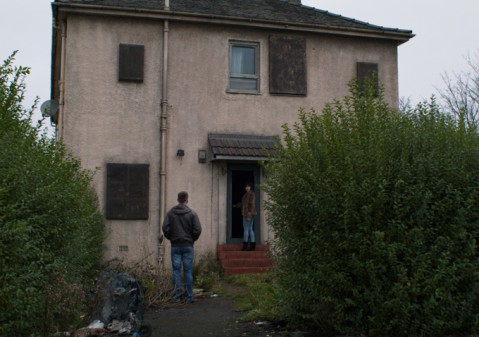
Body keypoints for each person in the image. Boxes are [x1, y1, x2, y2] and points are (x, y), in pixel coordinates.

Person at [162, 191, 202, 303]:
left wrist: (171, 237)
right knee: (188, 271)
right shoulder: (192, 214)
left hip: (175, 245)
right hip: (188, 245)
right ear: (186, 200)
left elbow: (165, 228)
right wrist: (191, 239)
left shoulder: (171, 213)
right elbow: (197, 229)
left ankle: (177, 297)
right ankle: (189, 297)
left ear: (178, 199)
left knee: (176, 271)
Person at [234, 182, 256, 251]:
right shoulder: (247, 194)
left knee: (247, 229)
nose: (247, 187)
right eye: (246, 186)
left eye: (248, 186)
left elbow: (251, 205)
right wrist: (236, 205)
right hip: (250, 213)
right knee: (250, 229)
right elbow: (243, 204)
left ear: (251, 187)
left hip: (248, 214)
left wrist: (248, 215)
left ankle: (245, 246)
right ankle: (252, 246)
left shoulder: (251, 194)